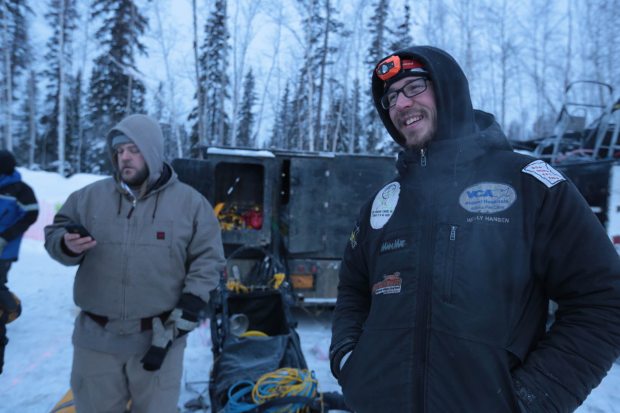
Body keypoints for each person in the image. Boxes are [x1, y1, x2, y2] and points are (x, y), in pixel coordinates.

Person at [329, 45, 620, 412]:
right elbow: (354, 289)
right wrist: (348, 359)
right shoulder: (383, 205)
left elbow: (604, 301)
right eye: (390, 97)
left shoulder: (531, 187)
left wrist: (531, 400)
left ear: (449, 89)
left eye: (414, 87)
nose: (401, 104)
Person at [44, 114, 226, 412]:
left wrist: (188, 309)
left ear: (152, 151)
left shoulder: (190, 204)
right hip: (96, 343)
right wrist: (65, 244)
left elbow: (208, 260)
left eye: (132, 150)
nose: (124, 158)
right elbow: (56, 232)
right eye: (118, 152)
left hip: (158, 340)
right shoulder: (88, 198)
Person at [0, 150, 39, 374]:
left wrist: (6, 236)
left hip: (5, 248)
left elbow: (31, 214)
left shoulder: (20, 190)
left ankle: (12, 308)